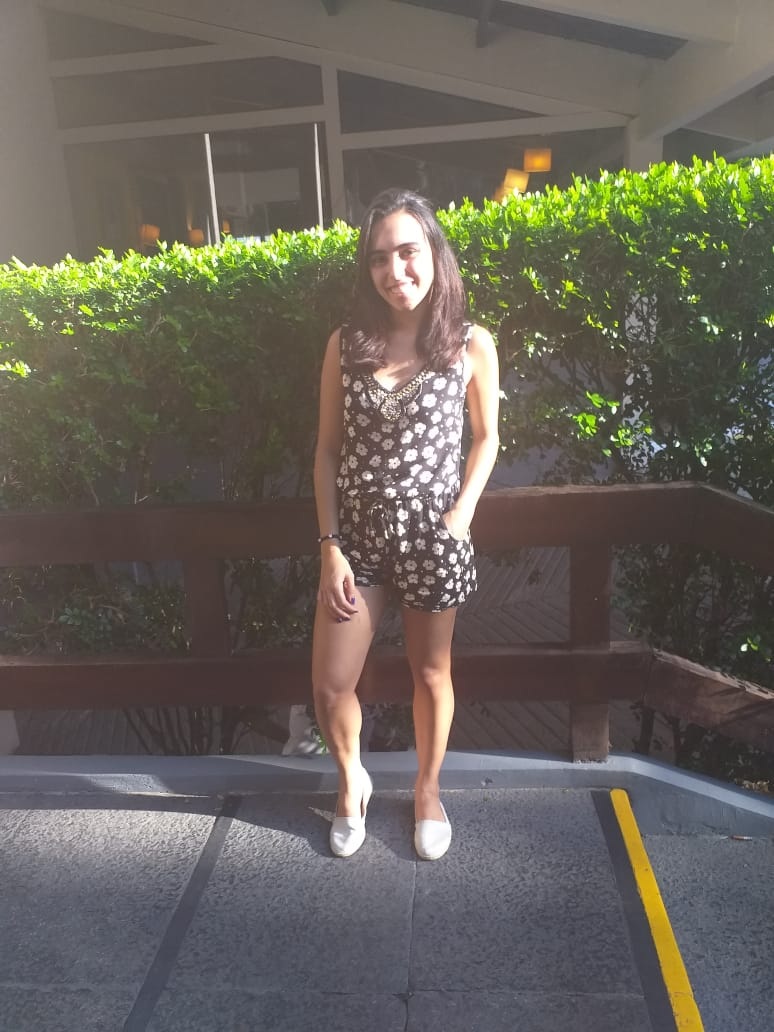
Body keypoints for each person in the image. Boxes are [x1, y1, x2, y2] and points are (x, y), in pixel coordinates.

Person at [312, 188, 500, 859]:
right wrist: (330, 546)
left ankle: (427, 790)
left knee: (430, 674)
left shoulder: (470, 343)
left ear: (434, 254)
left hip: (433, 538)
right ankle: (352, 780)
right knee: (332, 682)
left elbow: (487, 438)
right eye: (379, 258)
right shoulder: (346, 345)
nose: (395, 271)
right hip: (358, 539)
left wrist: (461, 515)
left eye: (408, 252)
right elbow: (327, 451)